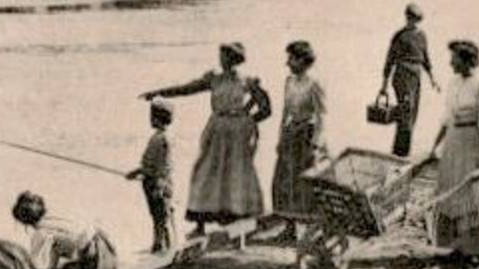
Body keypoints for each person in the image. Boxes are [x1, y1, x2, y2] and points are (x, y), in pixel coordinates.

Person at [141, 42, 271, 234]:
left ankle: (246, 218)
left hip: (238, 133)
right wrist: (158, 93)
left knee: (240, 173)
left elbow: (266, 109)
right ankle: (200, 222)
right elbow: (187, 89)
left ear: (234, 58)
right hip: (216, 129)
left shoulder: (248, 81)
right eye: (220, 55)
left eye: (224, 56)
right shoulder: (214, 78)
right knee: (203, 171)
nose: (221, 59)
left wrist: (247, 122)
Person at [425, 39, 479, 265]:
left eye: (454, 58)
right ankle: (453, 246)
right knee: (451, 190)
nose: (450, 63)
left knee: (475, 193)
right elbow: (446, 118)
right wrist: (435, 145)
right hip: (454, 144)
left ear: (467, 60)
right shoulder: (453, 83)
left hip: (473, 143)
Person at [268, 40, 329, 241]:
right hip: (291, 135)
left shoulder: (315, 83)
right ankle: (289, 227)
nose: (288, 63)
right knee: (283, 181)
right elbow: (284, 112)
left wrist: (316, 144)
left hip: (307, 136)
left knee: (306, 183)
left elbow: (322, 115)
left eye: (292, 59)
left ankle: (311, 230)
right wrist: (279, 138)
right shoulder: (289, 81)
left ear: (303, 60)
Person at [10, 191, 119, 269]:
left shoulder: (41, 233)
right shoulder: (59, 216)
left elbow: (40, 267)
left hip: (95, 264)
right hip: (108, 255)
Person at [381, 3, 440, 158]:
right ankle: (399, 155)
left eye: (415, 20)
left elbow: (425, 59)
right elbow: (389, 61)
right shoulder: (399, 36)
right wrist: (384, 86)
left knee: (412, 115)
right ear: (406, 17)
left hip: (416, 77)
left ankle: (402, 153)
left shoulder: (422, 35)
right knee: (406, 115)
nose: (412, 22)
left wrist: (433, 78)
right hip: (402, 77)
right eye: (410, 18)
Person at [124, 100, 176, 253]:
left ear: (157, 118)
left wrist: (137, 173)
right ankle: (162, 246)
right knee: (160, 216)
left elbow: (156, 166)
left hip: (157, 184)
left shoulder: (160, 139)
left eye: (152, 116)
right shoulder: (164, 137)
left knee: (160, 217)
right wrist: (139, 172)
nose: (150, 119)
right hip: (159, 182)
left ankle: (163, 248)